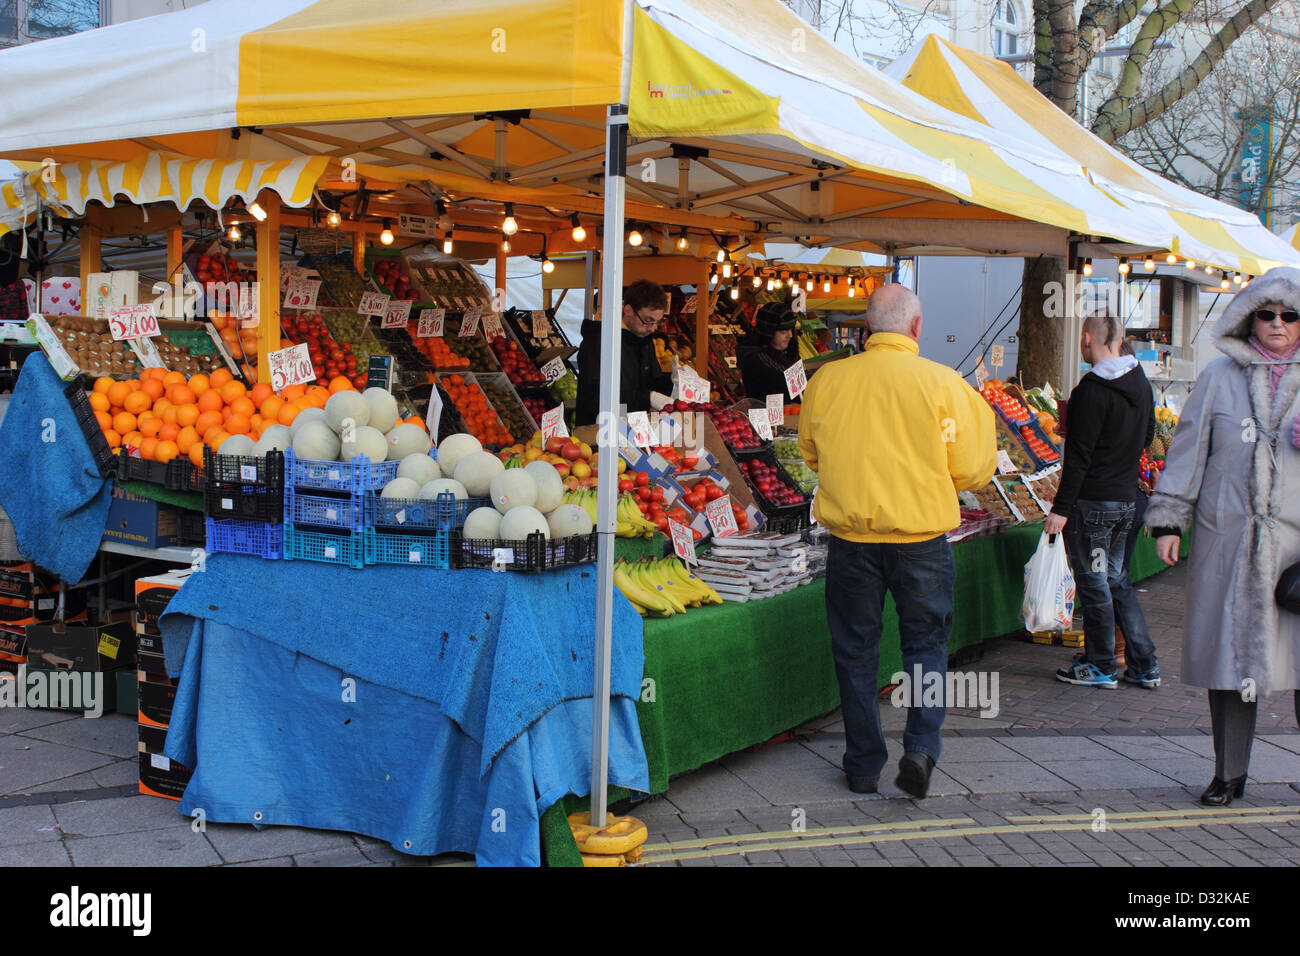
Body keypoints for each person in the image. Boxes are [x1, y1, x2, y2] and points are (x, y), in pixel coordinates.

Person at [798, 284, 996, 798]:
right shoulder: (945, 385)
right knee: (926, 647)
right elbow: (974, 469)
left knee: (855, 650)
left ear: (867, 328)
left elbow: (811, 455)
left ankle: (863, 764)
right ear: (916, 327)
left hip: (851, 542)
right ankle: (921, 748)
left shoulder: (828, 380)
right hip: (922, 541)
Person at [1147, 266, 1300, 807]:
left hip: (1296, 552)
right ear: (1249, 318)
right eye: (1267, 313)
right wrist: (1170, 518)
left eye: (1289, 314)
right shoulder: (1218, 376)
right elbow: (1189, 449)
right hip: (1229, 540)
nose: (1277, 324)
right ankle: (1228, 773)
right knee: (1232, 664)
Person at [1044, 311, 1159, 690]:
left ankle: (1101, 664)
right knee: (1117, 581)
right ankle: (1143, 665)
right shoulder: (1140, 383)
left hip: (1093, 504)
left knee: (1094, 584)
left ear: (1088, 338)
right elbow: (1147, 435)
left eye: (1082, 337)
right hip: (1127, 500)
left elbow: (1078, 458)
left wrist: (1060, 509)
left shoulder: (1090, 390)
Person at [574, 279, 673, 427]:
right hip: (599, 433)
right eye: (647, 320)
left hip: (634, 430)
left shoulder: (645, 341)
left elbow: (653, 380)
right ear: (628, 311)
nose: (652, 329)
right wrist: (648, 397)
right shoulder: (598, 342)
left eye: (656, 323)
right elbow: (595, 398)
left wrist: (673, 382)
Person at [738, 303, 800, 402]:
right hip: (765, 414)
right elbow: (784, 380)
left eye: (791, 330)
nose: (790, 335)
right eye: (783, 332)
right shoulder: (754, 357)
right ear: (768, 332)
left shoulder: (783, 353)